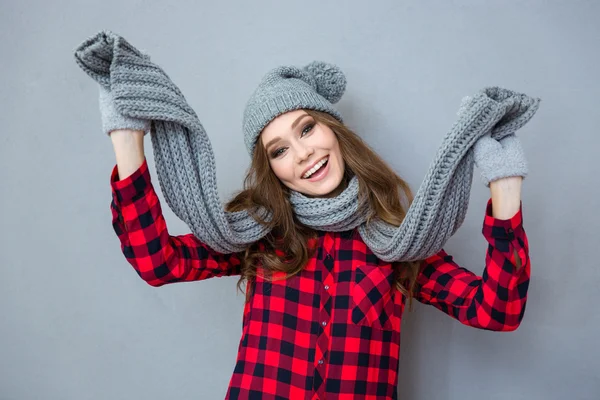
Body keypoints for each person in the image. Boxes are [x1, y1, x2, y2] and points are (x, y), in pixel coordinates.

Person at [105, 62, 530, 400]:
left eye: (307, 128)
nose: (304, 152)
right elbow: (158, 262)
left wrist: (505, 187)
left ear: (334, 129)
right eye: (280, 150)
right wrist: (128, 141)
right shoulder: (256, 235)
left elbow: (497, 310)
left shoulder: (401, 242)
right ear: (271, 168)